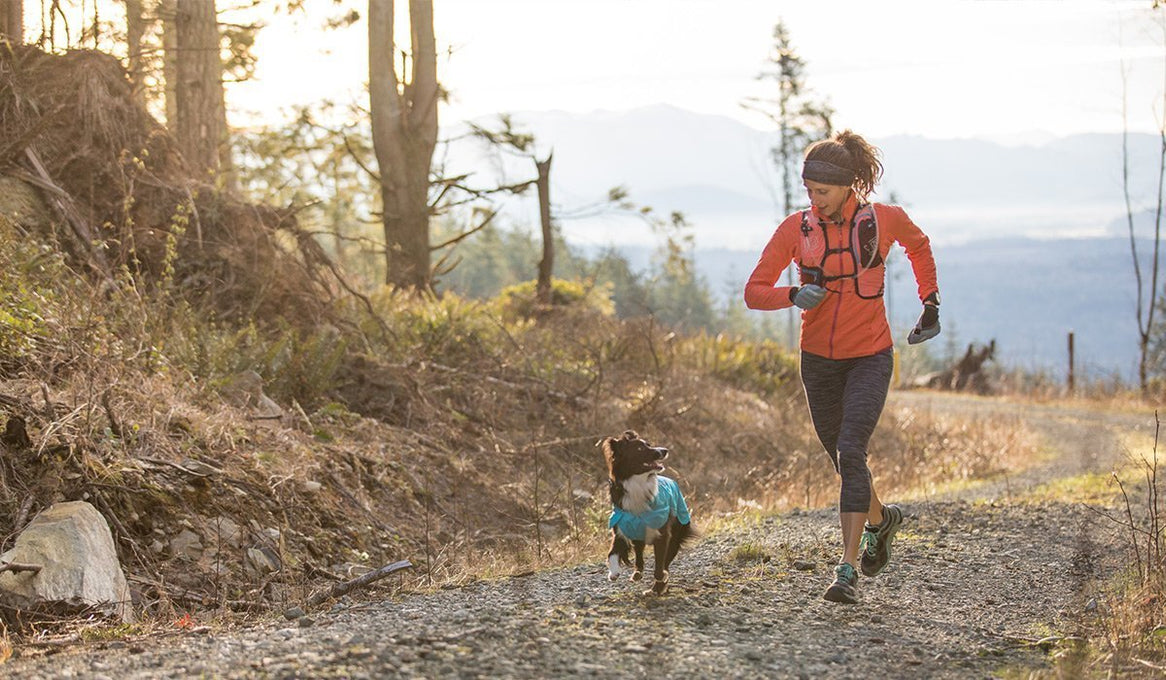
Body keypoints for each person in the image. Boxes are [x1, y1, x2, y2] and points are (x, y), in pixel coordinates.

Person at [743, 129, 940, 604]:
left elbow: (920, 245)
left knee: (852, 451)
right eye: (809, 191)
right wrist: (792, 295)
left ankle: (847, 569)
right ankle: (881, 519)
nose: (814, 200)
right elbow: (754, 291)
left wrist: (929, 303)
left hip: (871, 355)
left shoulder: (884, 219)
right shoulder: (797, 229)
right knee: (842, 461)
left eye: (822, 192)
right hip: (818, 362)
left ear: (850, 185)